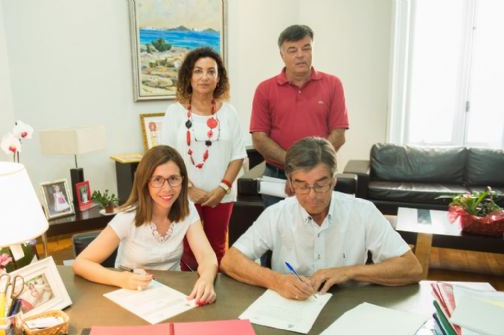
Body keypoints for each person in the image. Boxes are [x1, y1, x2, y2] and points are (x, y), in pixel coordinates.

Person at [220, 137, 423, 300]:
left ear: (333, 181)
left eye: (320, 185)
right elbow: (231, 261)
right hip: (291, 306)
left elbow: (411, 267)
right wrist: (277, 281)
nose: (312, 195)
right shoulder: (277, 214)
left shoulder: (363, 211)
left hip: (347, 306)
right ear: (290, 183)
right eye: (302, 185)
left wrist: (349, 272)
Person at [72, 145, 218, 304]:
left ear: (183, 180)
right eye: (158, 180)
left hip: (174, 292)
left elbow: (207, 256)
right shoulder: (128, 216)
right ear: (145, 182)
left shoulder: (187, 209)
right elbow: (81, 263)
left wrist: (206, 279)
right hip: (132, 292)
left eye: (173, 178)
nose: (167, 188)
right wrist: (121, 279)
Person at [162, 47, 247, 271]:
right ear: (189, 76)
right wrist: (189, 189)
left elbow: (238, 155)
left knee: (218, 247)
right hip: (184, 195)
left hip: (221, 196)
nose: (204, 77)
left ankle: (215, 289)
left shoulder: (229, 112)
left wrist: (222, 188)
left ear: (219, 78)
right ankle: (190, 290)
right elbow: (166, 156)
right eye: (198, 71)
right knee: (188, 249)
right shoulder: (174, 112)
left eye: (211, 71)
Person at [251, 24, 349, 206]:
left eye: (306, 48)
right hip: (278, 178)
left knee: (320, 224)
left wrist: (310, 170)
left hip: (319, 179)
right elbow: (259, 138)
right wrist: (295, 168)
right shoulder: (265, 89)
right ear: (282, 55)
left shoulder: (333, 84)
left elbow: (338, 134)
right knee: (278, 224)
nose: (300, 55)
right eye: (292, 50)